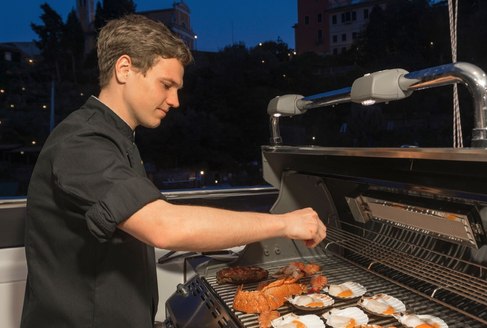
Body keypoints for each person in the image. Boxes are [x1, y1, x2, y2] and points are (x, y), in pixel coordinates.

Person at [21, 14, 326, 328]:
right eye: (166, 85)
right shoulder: (82, 142)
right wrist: (286, 223)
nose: (175, 100)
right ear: (124, 69)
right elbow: (164, 226)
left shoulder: (115, 138)